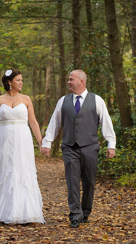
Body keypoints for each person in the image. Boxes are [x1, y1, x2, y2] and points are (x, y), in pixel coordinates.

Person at [41, 69, 116, 228]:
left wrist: (111, 144)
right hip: (69, 147)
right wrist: (47, 142)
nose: (68, 82)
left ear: (81, 81)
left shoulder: (97, 100)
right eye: (68, 79)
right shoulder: (63, 101)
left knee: (89, 181)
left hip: (90, 147)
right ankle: (75, 214)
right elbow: (55, 123)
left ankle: (85, 212)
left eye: (71, 79)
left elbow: (106, 123)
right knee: (72, 181)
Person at [0, 68, 45, 224]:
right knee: (4, 172)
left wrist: (41, 141)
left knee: (21, 172)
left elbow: (33, 122)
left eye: (22, 80)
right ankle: (2, 211)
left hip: (23, 140)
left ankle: (24, 211)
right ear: (9, 82)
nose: (21, 82)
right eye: (18, 80)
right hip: (3, 140)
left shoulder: (27, 99)